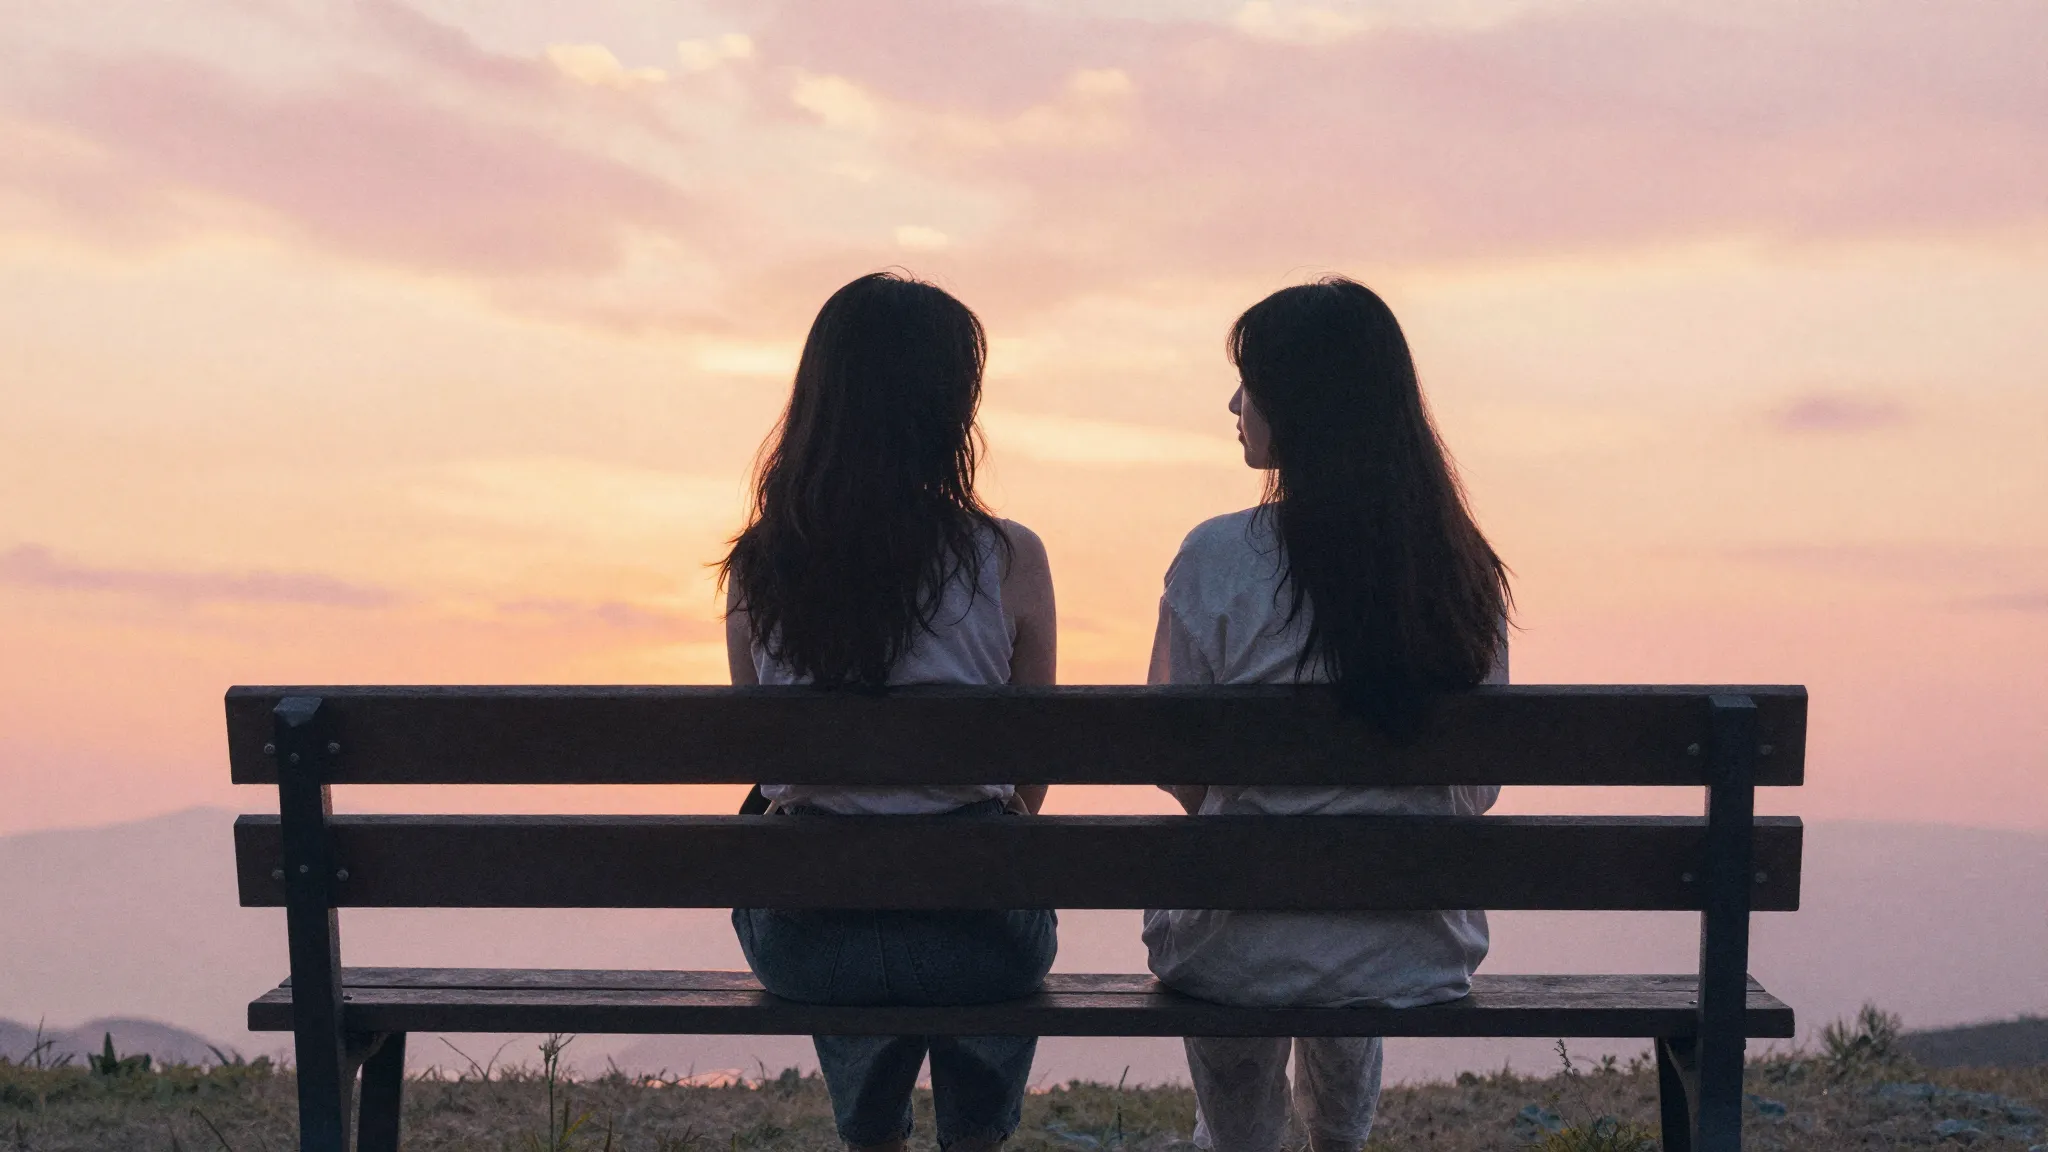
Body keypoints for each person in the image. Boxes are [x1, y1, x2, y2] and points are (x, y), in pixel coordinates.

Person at [1143, 277, 1513, 1152]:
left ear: (1301, 403)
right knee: (1345, 921)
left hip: (1238, 948)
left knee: (1244, 911)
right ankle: (1338, 1140)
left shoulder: (1216, 558)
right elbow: (1479, 788)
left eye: (1250, 383)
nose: (1234, 404)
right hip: (1413, 950)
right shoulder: (1460, 570)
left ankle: (1236, 1142)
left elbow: (1175, 766)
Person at [721, 271, 1058, 1152]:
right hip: (979, 945)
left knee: (794, 846)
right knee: (1002, 865)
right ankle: (974, 1131)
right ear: (950, 410)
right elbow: (1033, 775)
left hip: (813, 949)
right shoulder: (1010, 558)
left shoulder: (760, 568)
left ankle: (871, 1126)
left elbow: (766, 765)